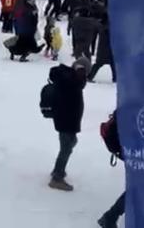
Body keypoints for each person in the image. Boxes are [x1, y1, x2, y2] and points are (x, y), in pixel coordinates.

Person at [48, 57, 89, 192]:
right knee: (66, 147)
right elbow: (78, 84)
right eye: (84, 72)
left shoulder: (69, 78)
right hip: (66, 120)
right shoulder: (71, 82)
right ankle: (57, 177)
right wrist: (80, 73)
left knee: (70, 143)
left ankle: (57, 170)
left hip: (67, 120)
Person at [88, 14, 116, 83]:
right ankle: (115, 78)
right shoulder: (110, 27)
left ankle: (89, 77)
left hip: (102, 48)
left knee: (98, 64)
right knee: (113, 64)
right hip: (110, 48)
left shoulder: (101, 26)